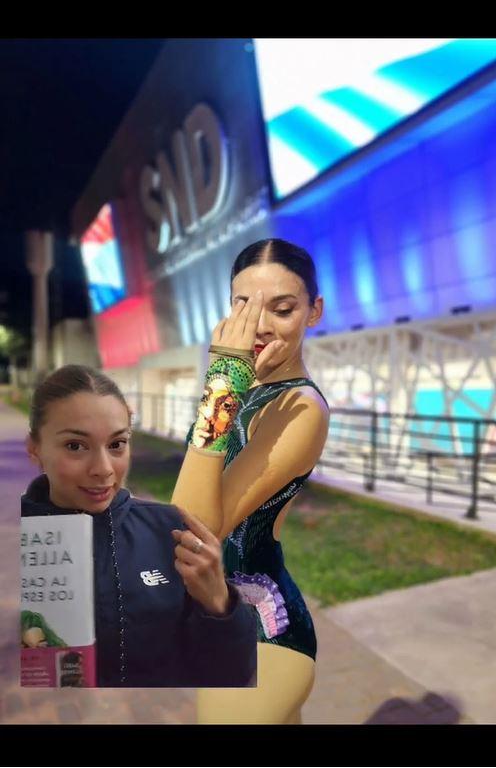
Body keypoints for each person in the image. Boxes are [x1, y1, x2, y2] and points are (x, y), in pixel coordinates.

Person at [171, 238, 330, 723]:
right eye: (244, 305)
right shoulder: (246, 388)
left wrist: (222, 381)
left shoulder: (299, 407)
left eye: (282, 308)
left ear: (313, 312)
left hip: (265, 631)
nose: (258, 325)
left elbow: (194, 524)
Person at [22, 365, 257, 688]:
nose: (103, 470)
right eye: (76, 446)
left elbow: (231, 676)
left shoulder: (172, 532)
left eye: (117, 444)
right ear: (34, 448)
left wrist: (219, 603)